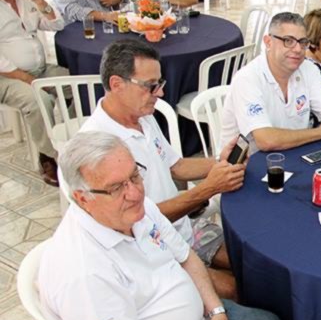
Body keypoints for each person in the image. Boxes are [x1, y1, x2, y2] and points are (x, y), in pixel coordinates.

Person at [41, 131, 283, 320]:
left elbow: (187, 258)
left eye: (135, 176)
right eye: (116, 187)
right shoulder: (82, 270)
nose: (134, 193)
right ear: (82, 198)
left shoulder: (135, 210)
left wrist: (216, 311)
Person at [78, 39, 242, 299]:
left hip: (185, 229)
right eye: (151, 86)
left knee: (252, 264)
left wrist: (221, 162)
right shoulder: (95, 149)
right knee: (237, 289)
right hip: (154, 252)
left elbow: (176, 166)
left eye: (160, 84)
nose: (161, 93)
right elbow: (138, 220)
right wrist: (208, 189)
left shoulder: (143, 118)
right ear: (116, 84)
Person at [221, 12, 321, 152]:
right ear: (268, 42)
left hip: (293, 153)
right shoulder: (247, 78)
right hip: (247, 162)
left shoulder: (309, 69)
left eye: (302, 42)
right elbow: (266, 140)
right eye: (288, 41)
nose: (298, 49)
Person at [0, 0, 66, 186]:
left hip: (40, 69)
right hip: (8, 78)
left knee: (75, 83)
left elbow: (57, 24)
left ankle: (72, 140)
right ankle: (47, 155)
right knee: (39, 100)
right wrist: (25, 78)